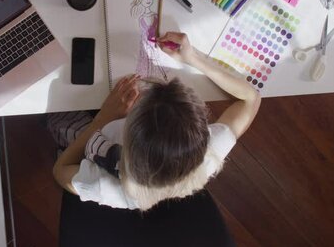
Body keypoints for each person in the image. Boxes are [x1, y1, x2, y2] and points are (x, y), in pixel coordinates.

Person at [52, 32, 261, 210]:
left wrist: (103, 117)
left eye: (140, 103)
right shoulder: (207, 156)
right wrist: (193, 58)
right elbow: (251, 99)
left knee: (59, 119)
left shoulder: (105, 185)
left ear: (128, 131)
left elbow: (61, 170)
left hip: (94, 144)